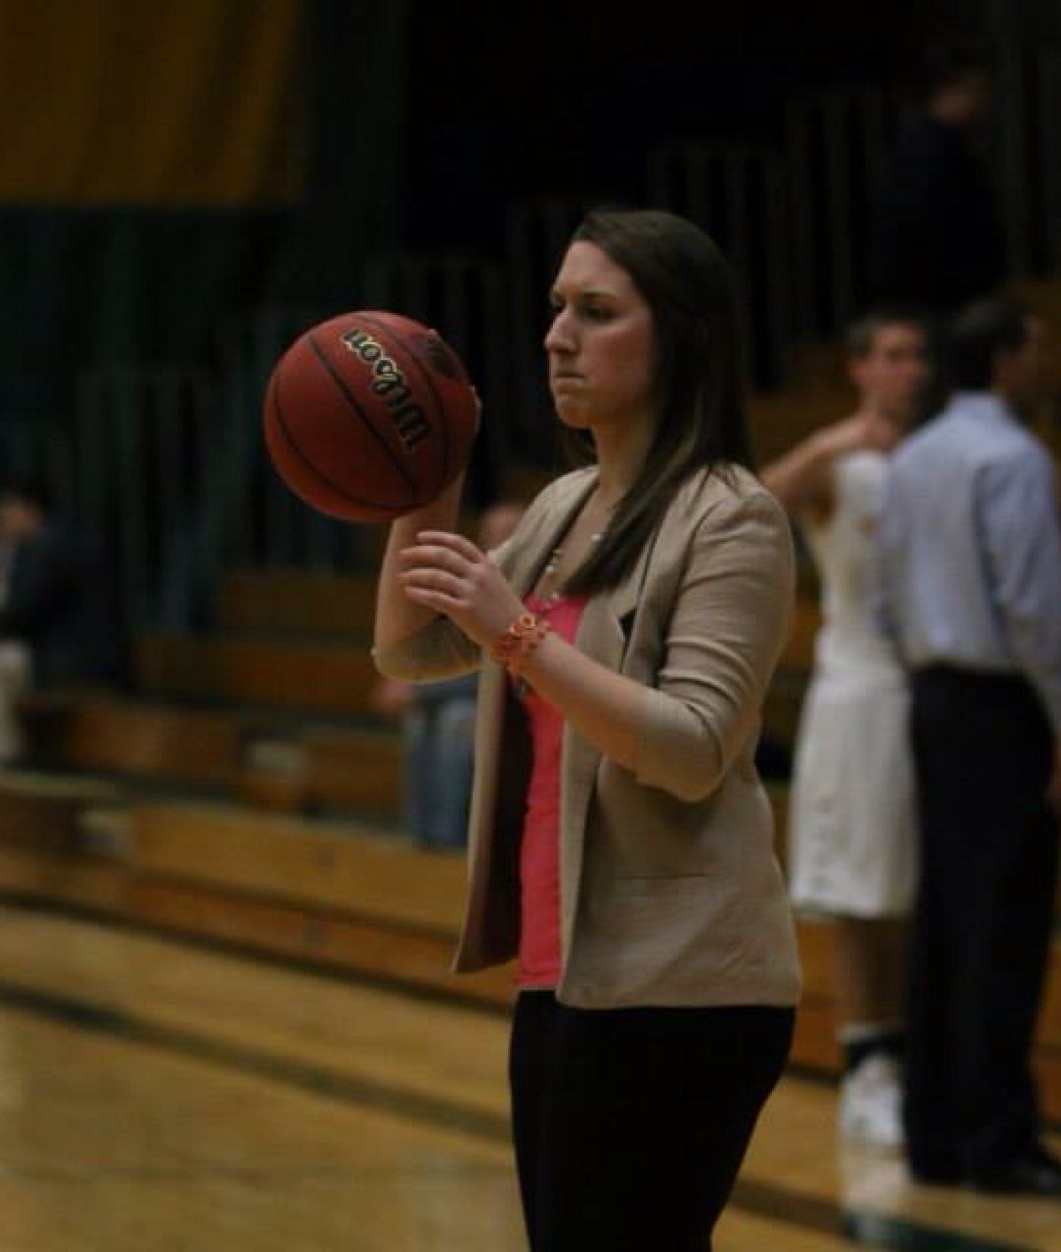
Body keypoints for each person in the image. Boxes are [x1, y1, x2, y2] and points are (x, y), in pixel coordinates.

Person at [373, 208, 800, 1249]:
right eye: (558, 306)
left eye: (597, 312)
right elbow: (411, 650)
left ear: (683, 338)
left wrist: (514, 632)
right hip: (565, 971)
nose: (557, 334)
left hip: (686, 983)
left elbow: (693, 747)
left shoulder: (733, 514)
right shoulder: (565, 505)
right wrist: (422, 482)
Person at [876, 297, 1061, 1195]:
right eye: (1033, 347)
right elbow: (1035, 609)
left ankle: (935, 1136)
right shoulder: (1014, 457)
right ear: (1004, 358)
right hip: (1003, 706)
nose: (1042, 363)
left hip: (933, 694)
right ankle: (998, 1140)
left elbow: (887, 595)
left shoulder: (914, 456)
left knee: (946, 918)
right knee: (1004, 924)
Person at [760, 312, 929, 1149]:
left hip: (934, 690)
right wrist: (829, 442)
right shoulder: (841, 462)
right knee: (864, 890)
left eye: (918, 356)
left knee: (917, 888)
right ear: (861, 368)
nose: (910, 371)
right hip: (860, 688)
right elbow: (754, 504)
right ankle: (869, 1065)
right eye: (893, 356)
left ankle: (913, 1057)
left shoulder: (938, 457)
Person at [372, 500, 526, 849]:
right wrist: (408, 681)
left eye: (507, 536)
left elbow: (509, 663)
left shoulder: (541, 587)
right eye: (491, 538)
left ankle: (449, 842)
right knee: (422, 718)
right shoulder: (472, 585)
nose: (496, 548)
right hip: (467, 695)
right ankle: (419, 837)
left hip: (521, 703)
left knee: (456, 720)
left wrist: (418, 690)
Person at [867, 40, 1006, 318]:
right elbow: (921, 231)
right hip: (936, 304)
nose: (987, 101)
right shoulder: (927, 150)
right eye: (982, 89)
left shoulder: (942, 146)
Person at [0, 478, 124, 691]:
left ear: (30, 509)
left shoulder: (49, 548)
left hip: (76, 668)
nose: (3, 520)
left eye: (8, 510)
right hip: (93, 662)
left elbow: (25, 608)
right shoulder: (62, 537)